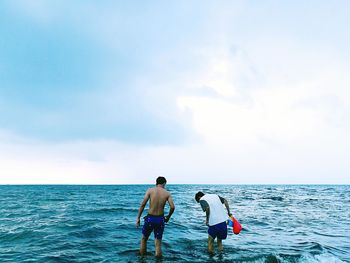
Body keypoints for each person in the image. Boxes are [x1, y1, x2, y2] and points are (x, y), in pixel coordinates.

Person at [136, 176, 175, 257]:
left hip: (150, 218)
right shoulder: (167, 193)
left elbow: (143, 204)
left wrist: (138, 218)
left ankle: (142, 259)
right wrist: (168, 217)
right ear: (164, 183)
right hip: (160, 219)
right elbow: (172, 207)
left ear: (156, 183)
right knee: (158, 243)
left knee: (144, 239)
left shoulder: (150, 190)